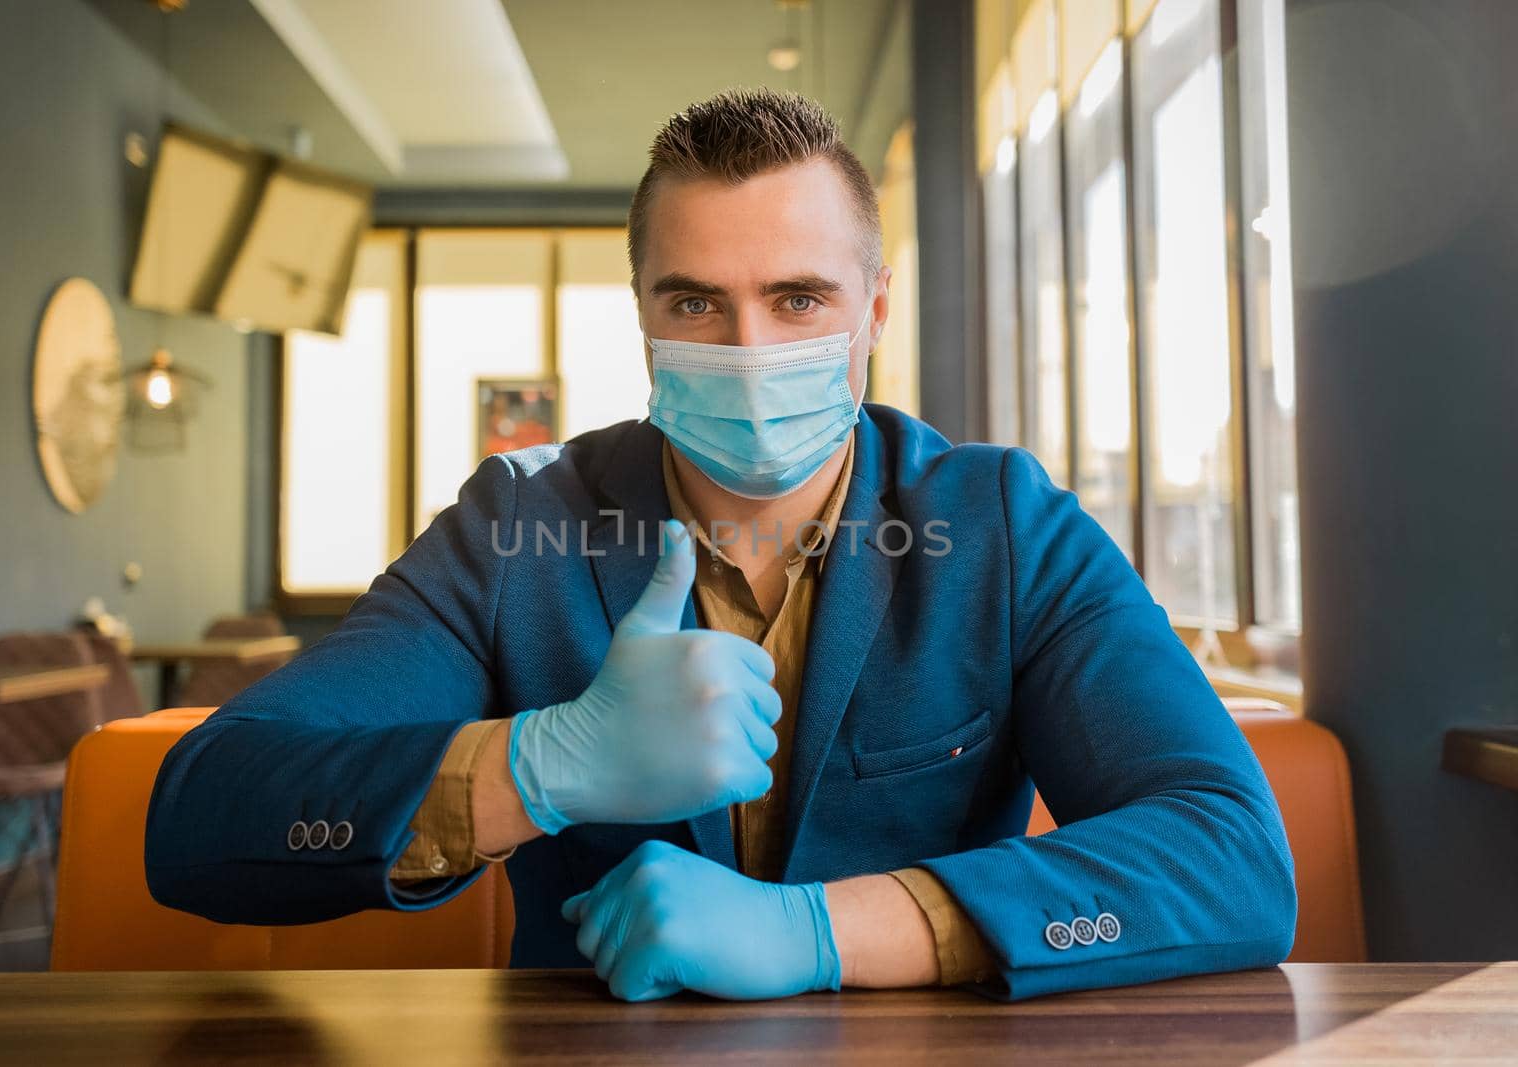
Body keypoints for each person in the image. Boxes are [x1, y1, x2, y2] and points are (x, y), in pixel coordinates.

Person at [145, 88, 1296, 1003]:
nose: (747, 348)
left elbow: (1230, 856)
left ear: (875, 310)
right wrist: (538, 765)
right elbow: (202, 819)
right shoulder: (518, 525)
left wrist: (821, 931)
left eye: (798, 299)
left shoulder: (1002, 524)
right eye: (694, 303)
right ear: (642, 311)